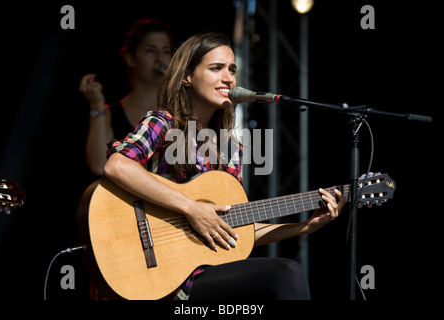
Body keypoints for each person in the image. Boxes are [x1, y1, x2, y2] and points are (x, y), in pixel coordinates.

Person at [103, 32, 346, 300]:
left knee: (281, 277)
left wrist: (304, 227)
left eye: (232, 69)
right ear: (187, 76)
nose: (229, 78)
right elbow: (117, 166)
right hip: (163, 275)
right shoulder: (163, 123)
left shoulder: (231, 149)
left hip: (205, 273)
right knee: (286, 272)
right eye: (216, 68)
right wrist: (192, 208)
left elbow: (234, 227)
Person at [79, 19, 173, 176]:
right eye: (150, 51)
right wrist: (96, 106)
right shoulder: (110, 113)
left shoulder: (179, 110)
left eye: (166, 51)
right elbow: (99, 165)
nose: (160, 59)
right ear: (130, 58)